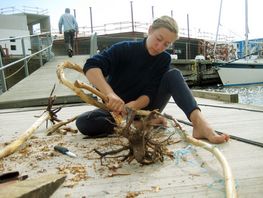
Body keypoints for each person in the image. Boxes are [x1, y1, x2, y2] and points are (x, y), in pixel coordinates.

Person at [76, 16, 229, 144]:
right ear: (150, 31)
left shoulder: (164, 59)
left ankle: (199, 123)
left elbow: (150, 92)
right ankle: (143, 125)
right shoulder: (123, 49)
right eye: (158, 39)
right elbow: (91, 66)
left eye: (166, 44)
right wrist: (110, 94)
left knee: (174, 74)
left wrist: (134, 106)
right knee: (84, 122)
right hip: (116, 112)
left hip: (144, 108)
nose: (159, 46)